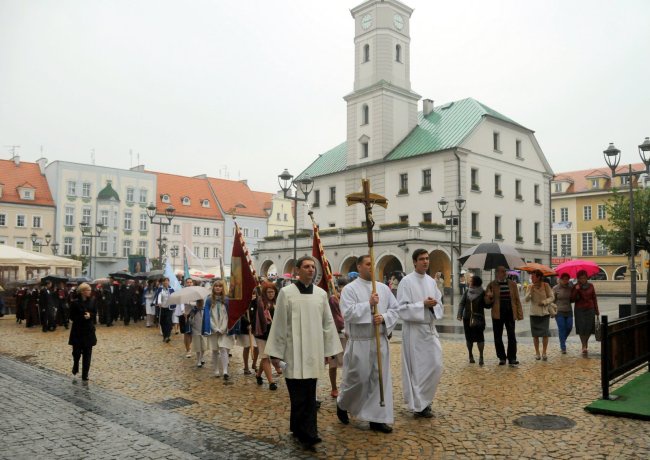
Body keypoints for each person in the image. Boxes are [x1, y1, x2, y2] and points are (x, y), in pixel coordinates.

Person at [265, 256, 342, 449]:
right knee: (297, 394)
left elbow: (327, 323)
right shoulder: (286, 293)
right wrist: (275, 353)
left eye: (313, 267)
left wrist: (330, 349)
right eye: (306, 267)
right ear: (297, 270)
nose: (311, 270)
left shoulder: (321, 294)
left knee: (310, 393)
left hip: (313, 351)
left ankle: (307, 431)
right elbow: (280, 324)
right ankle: (301, 429)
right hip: (293, 351)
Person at [337, 255, 399, 434]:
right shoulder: (350, 289)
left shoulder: (383, 289)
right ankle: (343, 403)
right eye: (368, 264)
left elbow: (395, 309)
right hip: (360, 342)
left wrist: (384, 318)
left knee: (379, 379)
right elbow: (347, 313)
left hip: (379, 340)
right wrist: (368, 305)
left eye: (373, 263)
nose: (371, 267)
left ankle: (376, 418)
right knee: (358, 379)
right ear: (359, 266)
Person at [396, 249, 444, 419]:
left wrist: (432, 305)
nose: (425, 261)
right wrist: (421, 305)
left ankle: (425, 399)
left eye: (427, 258)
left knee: (436, 365)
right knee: (418, 369)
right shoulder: (406, 282)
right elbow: (401, 308)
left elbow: (439, 305)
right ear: (414, 262)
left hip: (429, 329)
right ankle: (420, 405)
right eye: (422, 259)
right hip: (414, 331)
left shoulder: (431, 281)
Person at [485, 265, 524, 366]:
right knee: (497, 336)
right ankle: (502, 357)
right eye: (501, 271)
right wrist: (489, 297)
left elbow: (516, 300)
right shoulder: (491, 285)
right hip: (497, 313)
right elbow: (486, 304)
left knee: (512, 336)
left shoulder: (512, 284)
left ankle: (512, 358)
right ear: (497, 273)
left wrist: (519, 314)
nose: (504, 273)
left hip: (510, 312)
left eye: (504, 271)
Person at [204, 280, 235, 381]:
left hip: (224, 329)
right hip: (213, 329)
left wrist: (223, 328)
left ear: (223, 288)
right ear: (213, 288)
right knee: (215, 349)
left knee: (223, 348)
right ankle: (216, 370)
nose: (218, 288)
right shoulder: (209, 300)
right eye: (216, 286)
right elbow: (208, 316)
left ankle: (225, 371)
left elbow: (228, 316)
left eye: (220, 286)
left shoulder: (226, 300)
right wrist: (214, 328)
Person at [251, 281, 279, 390]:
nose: (271, 294)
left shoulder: (276, 303)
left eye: (273, 292)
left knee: (265, 356)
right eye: (269, 292)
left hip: (273, 333)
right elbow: (259, 316)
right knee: (265, 356)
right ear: (264, 292)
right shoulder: (260, 302)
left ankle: (258, 375)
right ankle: (271, 382)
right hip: (261, 332)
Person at [68, 283, 97, 382]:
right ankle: (76, 365)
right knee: (76, 353)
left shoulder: (92, 301)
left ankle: (85, 374)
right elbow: (71, 317)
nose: (90, 292)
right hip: (78, 331)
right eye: (88, 290)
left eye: (90, 290)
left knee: (87, 354)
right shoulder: (75, 303)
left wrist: (90, 315)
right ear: (83, 292)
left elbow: (95, 313)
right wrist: (82, 317)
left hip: (88, 331)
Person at [524, 270, 555, 361]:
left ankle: (544, 352)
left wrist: (545, 302)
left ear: (538, 277)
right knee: (535, 335)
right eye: (531, 276)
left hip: (544, 313)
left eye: (533, 276)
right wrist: (530, 292)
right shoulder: (530, 286)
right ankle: (537, 352)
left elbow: (552, 297)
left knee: (545, 334)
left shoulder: (546, 285)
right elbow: (526, 299)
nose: (531, 278)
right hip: (534, 313)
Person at [457, 274, 487, 365]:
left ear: (475, 283)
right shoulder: (467, 291)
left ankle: (481, 356)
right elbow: (462, 303)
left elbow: (487, 306)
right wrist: (459, 314)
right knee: (469, 338)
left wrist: (489, 298)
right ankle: (470, 355)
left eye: (471, 281)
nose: (469, 282)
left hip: (479, 319)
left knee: (480, 338)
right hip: (467, 318)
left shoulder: (483, 292)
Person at [327, 277, 349, 398]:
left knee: (347, 362)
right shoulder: (333, 299)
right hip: (336, 334)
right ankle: (334, 387)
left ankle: (346, 386)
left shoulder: (349, 298)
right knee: (333, 363)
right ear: (338, 287)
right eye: (341, 287)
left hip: (347, 334)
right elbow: (337, 317)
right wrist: (344, 326)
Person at [571, 269, 599, 356]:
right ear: (578, 279)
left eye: (584, 278)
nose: (582, 279)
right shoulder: (576, 286)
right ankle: (583, 345)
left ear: (587, 278)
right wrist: (576, 290)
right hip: (579, 310)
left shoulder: (591, 286)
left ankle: (585, 343)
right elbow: (571, 299)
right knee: (581, 328)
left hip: (590, 309)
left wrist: (597, 311)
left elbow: (594, 298)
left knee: (589, 328)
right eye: (580, 278)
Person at [553, 273, 574, 354]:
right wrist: (553, 310)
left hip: (569, 310)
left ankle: (562, 340)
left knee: (569, 327)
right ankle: (563, 347)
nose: (565, 281)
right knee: (562, 328)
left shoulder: (570, 287)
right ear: (560, 279)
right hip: (559, 311)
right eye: (564, 279)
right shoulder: (555, 288)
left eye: (567, 279)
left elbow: (573, 298)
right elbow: (552, 299)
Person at [153, 277, 175, 343]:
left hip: (169, 308)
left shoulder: (171, 289)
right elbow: (158, 296)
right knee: (162, 322)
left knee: (168, 322)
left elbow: (174, 297)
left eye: (167, 281)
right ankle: (164, 336)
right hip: (162, 308)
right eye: (164, 281)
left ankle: (167, 336)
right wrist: (159, 302)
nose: (165, 282)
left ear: (169, 282)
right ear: (162, 282)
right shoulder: (160, 289)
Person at [188, 298, 208, 367]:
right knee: (197, 346)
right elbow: (190, 321)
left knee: (203, 346)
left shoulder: (205, 310)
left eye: (201, 302)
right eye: (198, 302)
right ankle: (198, 360)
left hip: (203, 330)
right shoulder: (193, 310)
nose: (200, 303)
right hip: (195, 330)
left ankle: (201, 357)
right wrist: (191, 318)